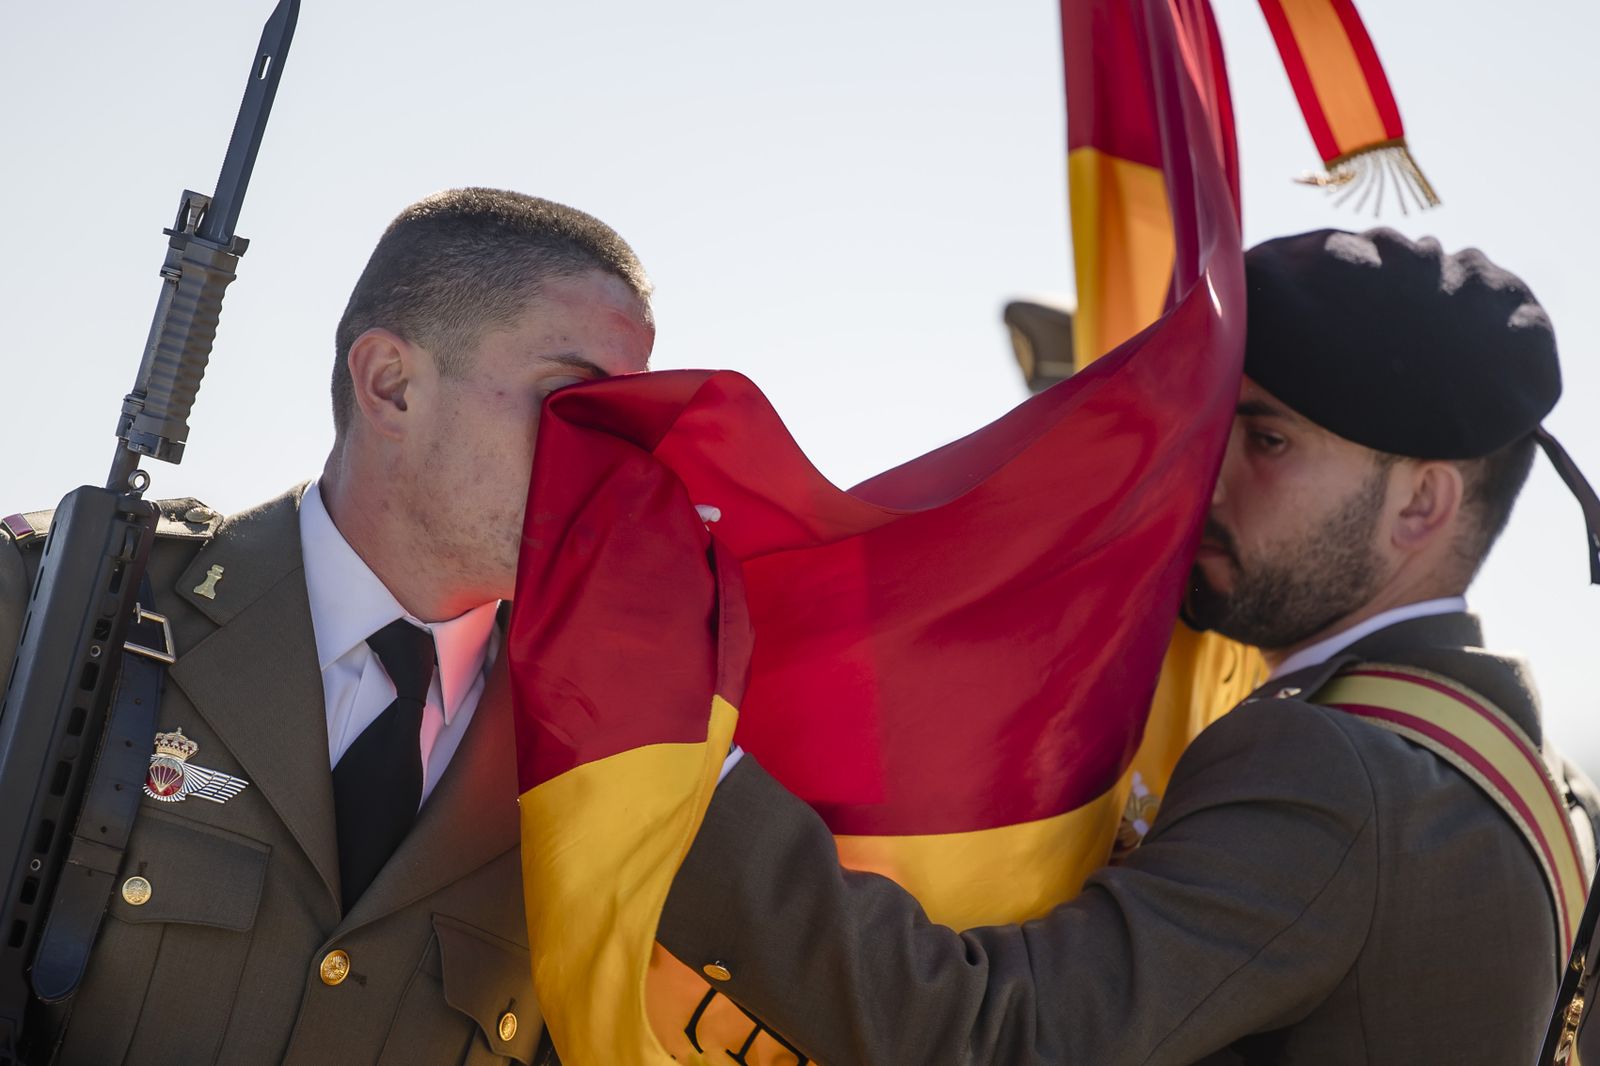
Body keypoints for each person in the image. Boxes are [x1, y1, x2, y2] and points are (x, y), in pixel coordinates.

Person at [654, 228, 1600, 1063]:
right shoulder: (1543, 787)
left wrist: (673, 777)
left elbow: (1003, 1035)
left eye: (1264, 443)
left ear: (1422, 505)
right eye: (1208, 430)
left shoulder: (1332, 765)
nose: (1203, 477)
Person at [0, 187, 654, 1064]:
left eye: (632, 429)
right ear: (391, 384)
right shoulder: (71, 608)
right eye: (573, 405)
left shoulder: (603, 766)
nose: (613, 465)